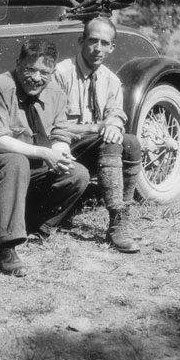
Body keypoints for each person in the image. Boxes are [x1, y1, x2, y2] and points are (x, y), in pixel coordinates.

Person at [0, 39, 90, 276]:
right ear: (18, 63)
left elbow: (61, 132)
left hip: (29, 163)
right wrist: (44, 152)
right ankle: (7, 247)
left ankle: (35, 228)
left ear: (52, 72)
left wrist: (61, 152)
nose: (35, 78)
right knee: (15, 160)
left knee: (78, 174)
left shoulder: (54, 92)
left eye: (44, 72)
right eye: (29, 69)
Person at [54, 16, 141, 254]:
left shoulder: (111, 80)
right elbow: (53, 126)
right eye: (93, 41)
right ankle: (116, 221)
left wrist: (113, 124)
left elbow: (116, 113)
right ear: (80, 41)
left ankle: (120, 220)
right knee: (110, 141)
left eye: (104, 43)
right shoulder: (61, 74)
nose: (97, 49)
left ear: (112, 48)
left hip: (96, 150)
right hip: (64, 148)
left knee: (131, 142)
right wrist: (98, 128)